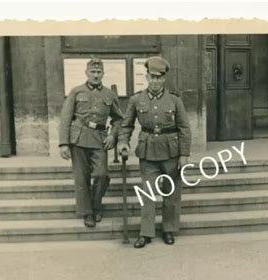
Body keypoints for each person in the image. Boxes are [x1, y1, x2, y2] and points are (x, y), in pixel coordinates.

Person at [118, 56, 191, 248]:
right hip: (148, 152)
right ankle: (146, 232)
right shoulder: (136, 99)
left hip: (171, 152)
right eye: (152, 77)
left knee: (171, 193)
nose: (156, 81)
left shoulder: (174, 100)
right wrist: (123, 142)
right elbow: (126, 125)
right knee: (148, 193)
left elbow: (184, 128)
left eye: (159, 78)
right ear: (147, 77)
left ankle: (168, 229)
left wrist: (184, 155)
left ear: (164, 79)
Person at [59, 57, 123, 227]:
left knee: (102, 175)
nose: (95, 75)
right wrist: (63, 143)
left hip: (100, 139)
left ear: (103, 73)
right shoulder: (76, 91)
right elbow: (65, 118)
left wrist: (112, 136)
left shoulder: (109, 94)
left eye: (99, 72)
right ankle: (88, 213)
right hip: (78, 138)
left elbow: (118, 120)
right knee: (82, 178)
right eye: (92, 72)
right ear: (86, 73)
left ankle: (96, 206)